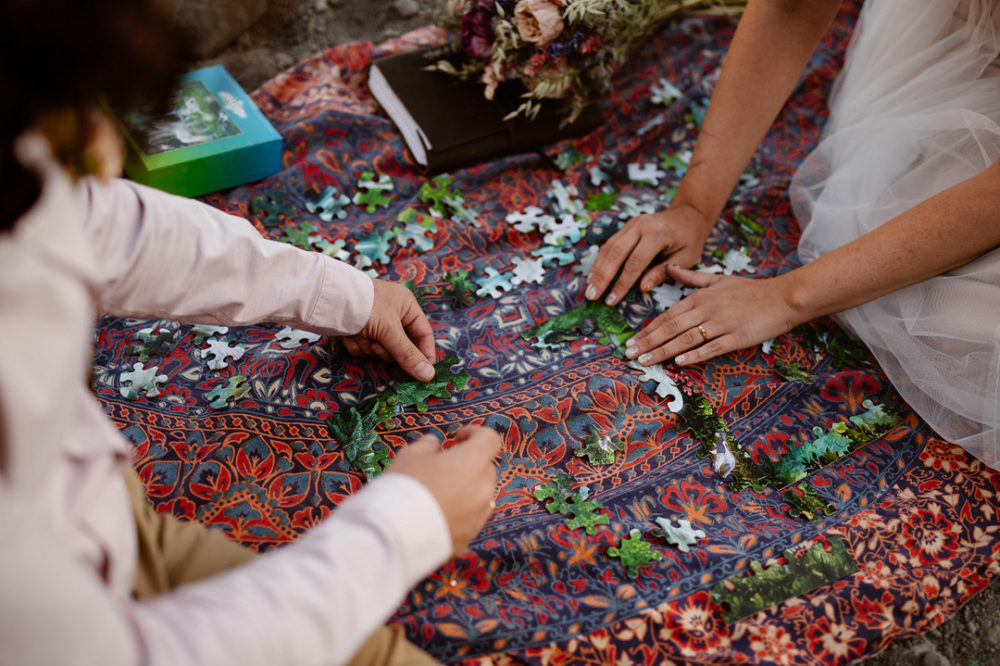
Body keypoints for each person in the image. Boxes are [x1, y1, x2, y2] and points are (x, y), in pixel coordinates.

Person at [0, 1, 500, 664]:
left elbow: (113, 226)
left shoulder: (16, 151)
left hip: (91, 517)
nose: (110, 149)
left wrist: (340, 294)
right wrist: (408, 523)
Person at [586, 0, 1000, 468]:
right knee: (878, 206)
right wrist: (694, 206)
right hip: (952, 45)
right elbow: (791, 8)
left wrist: (786, 298)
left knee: (957, 330)